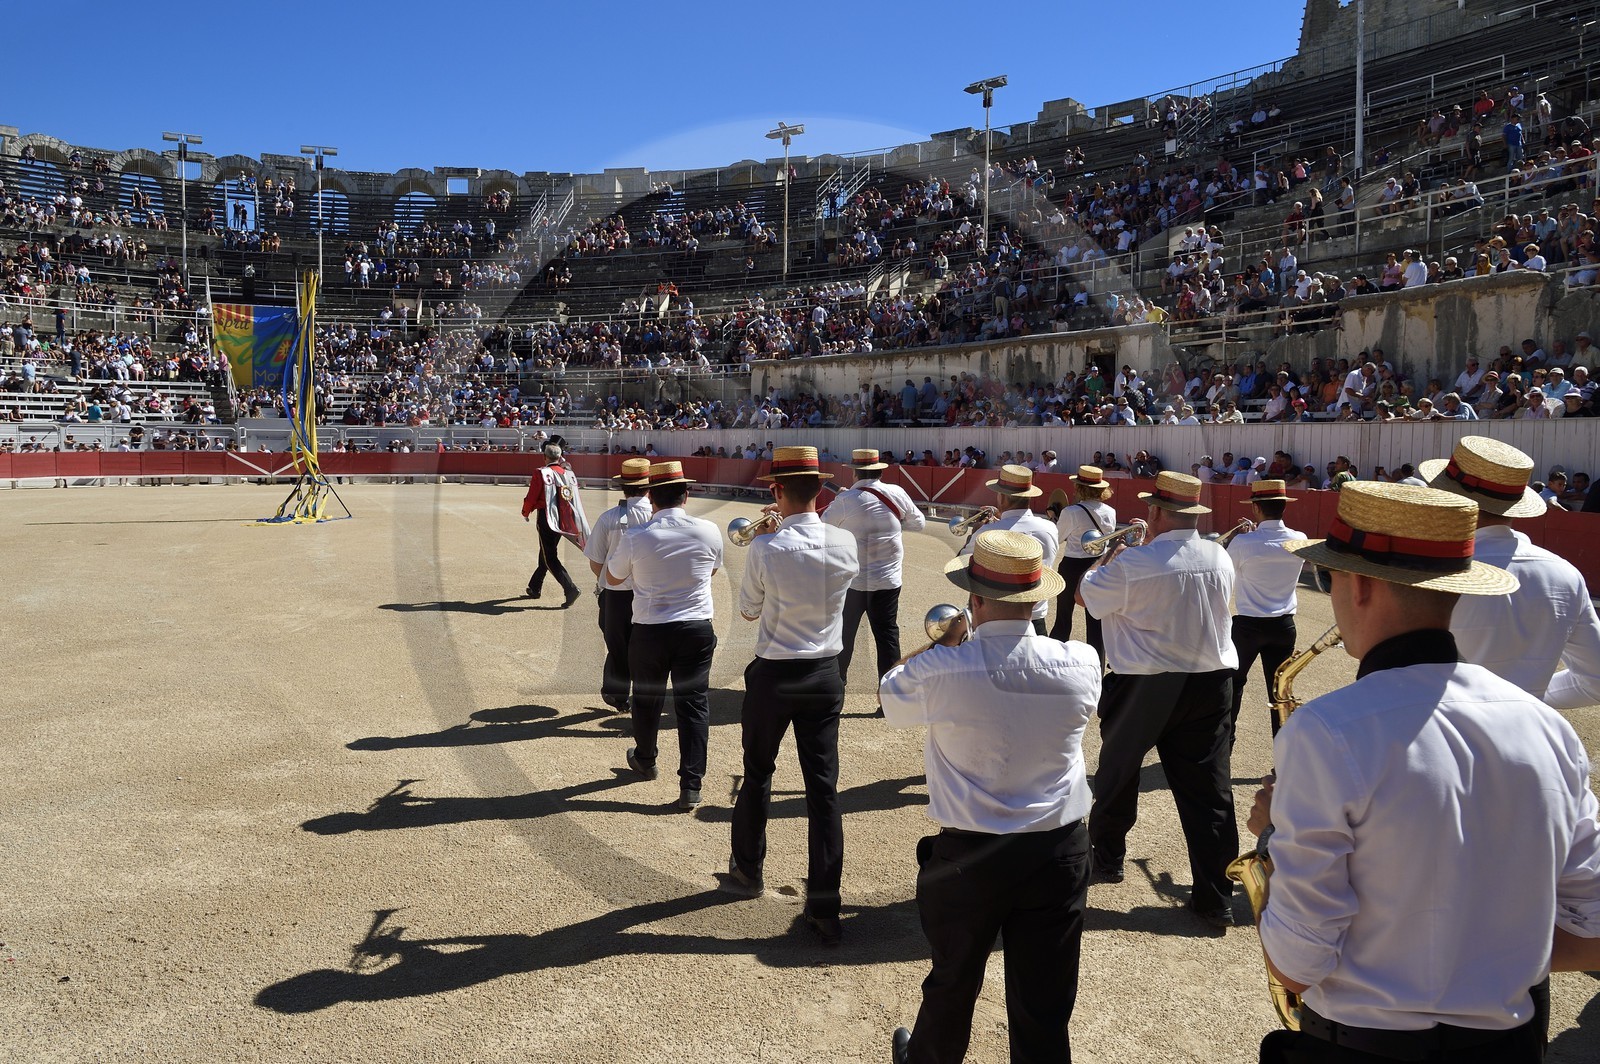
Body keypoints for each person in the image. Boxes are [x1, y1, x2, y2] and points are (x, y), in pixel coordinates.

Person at [1254, 482, 1600, 1062]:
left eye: (1328, 577)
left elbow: (1295, 966)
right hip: (1509, 1045)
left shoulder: (1327, 730)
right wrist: (1485, 956)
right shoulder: (1548, 728)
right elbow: (1591, 934)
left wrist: (1270, 838)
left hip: (1363, 1045)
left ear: (1358, 584)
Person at [881, 530, 1101, 1064]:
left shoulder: (942, 667)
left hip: (969, 855)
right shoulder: (1082, 660)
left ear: (975, 601)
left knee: (953, 980)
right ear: (1037, 600)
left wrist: (944, 641)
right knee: (1045, 999)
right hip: (1057, 848)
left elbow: (891, 691)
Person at [1077, 470, 1239, 927]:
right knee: (1210, 792)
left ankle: (1107, 859)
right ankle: (1215, 895)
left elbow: (1086, 597)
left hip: (1143, 683)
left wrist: (1108, 556)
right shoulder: (1220, 557)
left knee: (1117, 773)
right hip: (1211, 682)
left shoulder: (1133, 563)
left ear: (1158, 511)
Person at [726, 446, 859, 945]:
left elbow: (748, 611)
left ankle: (748, 870)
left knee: (758, 772)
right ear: (820, 491)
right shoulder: (845, 542)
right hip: (825, 671)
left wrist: (769, 533)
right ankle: (825, 906)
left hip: (776, 672)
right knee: (823, 791)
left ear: (777, 492)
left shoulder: (766, 546)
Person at [1422, 436, 1600, 708]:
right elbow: (1595, 680)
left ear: (1447, 497)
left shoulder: (1428, 570)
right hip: (1526, 740)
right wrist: (1522, 698)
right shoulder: (1566, 574)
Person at [605, 460, 723, 809]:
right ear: (686, 495)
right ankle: (691, 783)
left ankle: (645, 758)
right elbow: (712, 570)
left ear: (651, 498)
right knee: (694, 704)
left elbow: (612, 579)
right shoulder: (709, 530)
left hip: (651, 629)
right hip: (696, 628)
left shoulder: (636, 536)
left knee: (646, 699)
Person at [824, 448, 926, 691]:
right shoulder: (896, 493)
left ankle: (836, 687)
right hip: (888, 581)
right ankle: (891, 692)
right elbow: (919, 523)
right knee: (887, 636)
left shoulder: (846, 500)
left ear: (854, 473)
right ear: (880, 470)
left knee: (844, 633)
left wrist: (844, 500)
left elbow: (823, 528)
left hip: (854, 582)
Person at [1224, 480, 1306, 743]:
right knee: (1281, 692)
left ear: (1257, 508)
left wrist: (1245, 535)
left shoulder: (1243, 543)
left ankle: (1225, 743)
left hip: (1248, 626)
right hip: (1283, 625)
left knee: (1233, 686)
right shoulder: (1300, 540)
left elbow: (1229, 571)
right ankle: (1284, 751)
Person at [583, 457, 654, 714]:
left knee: (617, 645)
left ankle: (618, 696)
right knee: (649, 645)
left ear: (623, 487)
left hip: (615, 594)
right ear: (649, 488)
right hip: (652, 593)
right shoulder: (656, 516)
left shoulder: (608, 518)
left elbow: (596, 562)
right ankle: (646, 697)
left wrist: (605, 582)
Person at [958, 464, 1059, 635]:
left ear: (1002, 498)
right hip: (1036, 617)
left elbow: (960, 564)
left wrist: (975, 533)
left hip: (995, 620)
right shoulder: (1050, 528)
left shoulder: (987, 532)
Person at [1046, 465, 1116, 659]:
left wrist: (1053, 519)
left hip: (1072, 565)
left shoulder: (1071, 512)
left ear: (1080, 488)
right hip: (1098, 565)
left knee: (1063, 617)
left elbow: (1057, 537)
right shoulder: (1110, 511)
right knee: (1095, 620)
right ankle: (1097, 664)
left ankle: (1055, 658)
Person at [521, 437, 589, 607]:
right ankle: (534, 587)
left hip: (546, 518)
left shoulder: (541, 472)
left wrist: (526, 511)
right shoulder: (567, 473)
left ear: (545, 457)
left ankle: (570, 588)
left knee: (550, 556)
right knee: (546, 551)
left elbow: (532, 496)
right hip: (562, 518)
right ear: (560, 457)